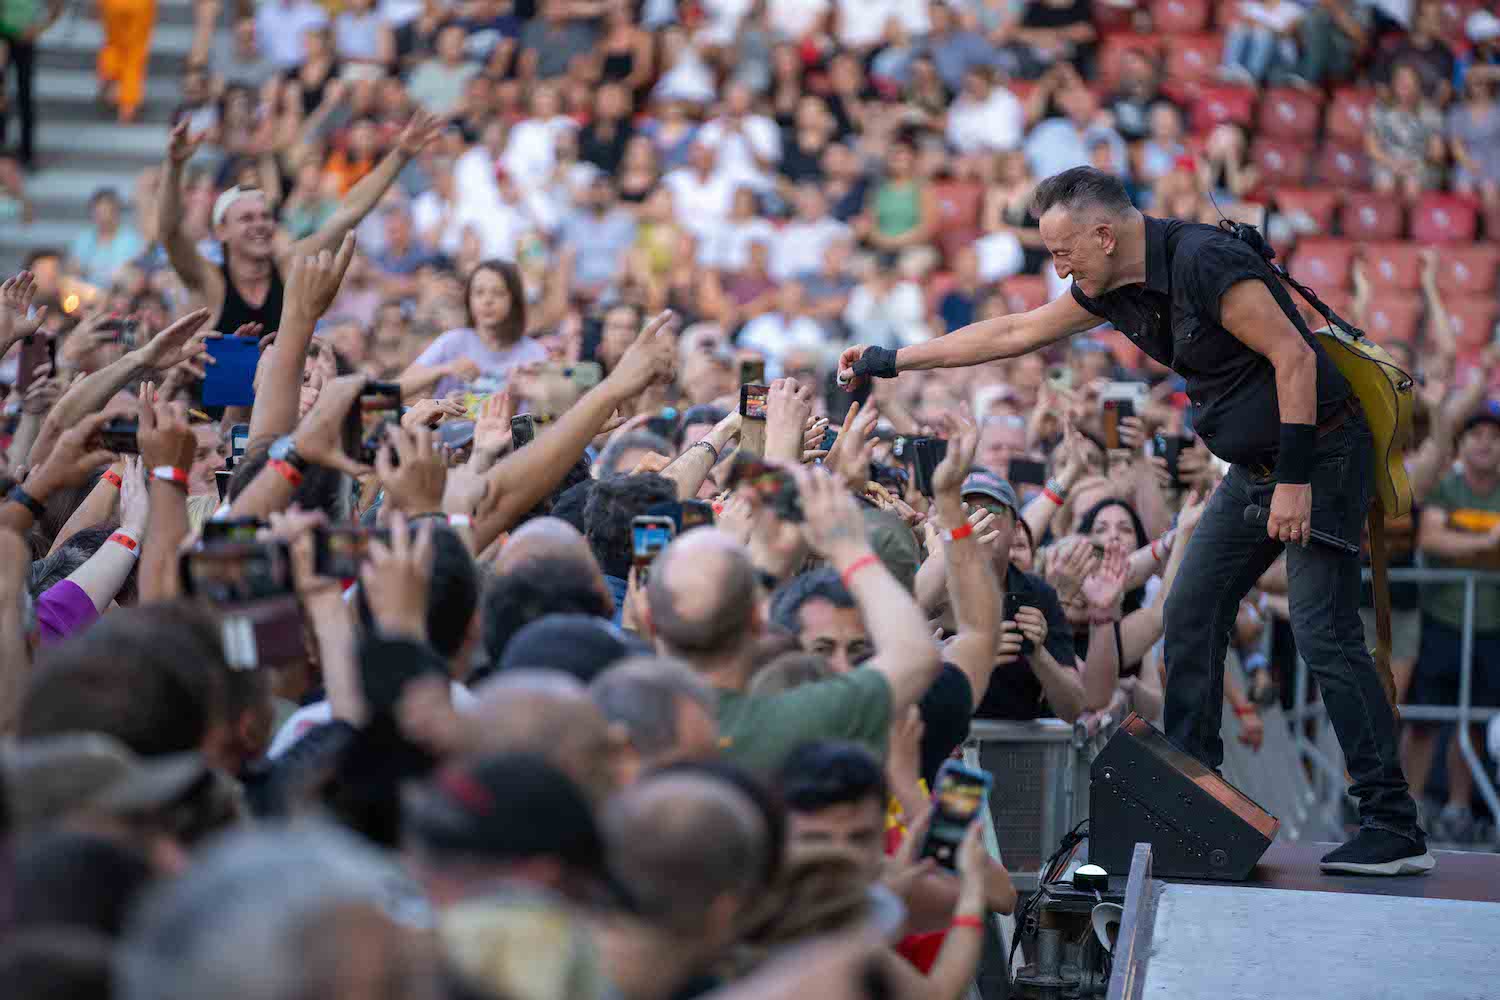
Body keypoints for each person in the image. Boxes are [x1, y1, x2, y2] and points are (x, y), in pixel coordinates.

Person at [838, 166, 1430, 876]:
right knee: (1188, 610)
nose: (1057, 267)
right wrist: (892, 360)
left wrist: (1297, 482)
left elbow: (1295, 358)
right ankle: (1194, 803)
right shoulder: (1110, 285)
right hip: (1254, 468)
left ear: (1104, 233)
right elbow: (1018, 330)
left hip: (1320, 455)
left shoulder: (1205, 262)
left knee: (1324, 632)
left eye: (1063, 252)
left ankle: (1392, 826)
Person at [157, 110, 441, 337]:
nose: (260, 225)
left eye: (265, 216)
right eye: (246, 218)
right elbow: (170, 232)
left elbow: (348, 213)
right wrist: (174, 165)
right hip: (214, 409)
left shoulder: (289, 266)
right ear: (221, 230)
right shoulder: (209, 280)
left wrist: (401, 153)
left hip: (280, 406)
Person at [1409, 408, 1500, 843]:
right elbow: (1429, 538)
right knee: (1425, 719)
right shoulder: (1446, 488)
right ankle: (1408, 806)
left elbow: (1447, 541)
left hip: (1492, 626)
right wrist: (1486, 544)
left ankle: (1460, 807)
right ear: (1462, 444)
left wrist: (1461, 547)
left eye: (1493, 437)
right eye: (1477, 435)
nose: (1485, 443)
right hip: (1443, 620)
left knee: (1478, 723)